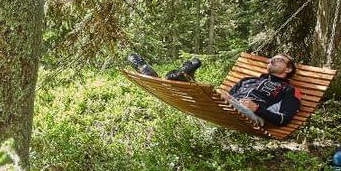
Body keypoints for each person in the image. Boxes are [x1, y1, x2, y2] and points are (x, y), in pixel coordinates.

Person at [126, 52, 303, 127]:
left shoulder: (289, 90)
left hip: (251, 116)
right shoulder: (248, 80)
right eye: (271, 59)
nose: (271, 60)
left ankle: (186, 79)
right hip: (227, 107)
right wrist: (226, 96)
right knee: (212, 95)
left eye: (278, 60)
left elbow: (283, 119)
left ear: (288, 69)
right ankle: (150, 73)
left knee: (209, 93)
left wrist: (257, 108)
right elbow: (228, 98)